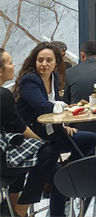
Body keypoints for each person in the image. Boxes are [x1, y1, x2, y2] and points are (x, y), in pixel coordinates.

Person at [0, 48, 66, 217]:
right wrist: (39, 142)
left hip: (8, 146)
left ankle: (12, 207)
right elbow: (19, 127)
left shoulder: (53, 78)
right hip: (4, 157)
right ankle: (21, 210)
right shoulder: (4, 94)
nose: (14, 65)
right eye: (10, 63)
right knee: (49, 150)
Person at [14, 42, 96, 159]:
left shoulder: (54, 77)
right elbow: (44, 107)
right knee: (53, 150)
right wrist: (66, 108)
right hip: (32, 134)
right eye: (40, 60)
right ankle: (64, 169)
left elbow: (55, 105)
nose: (44, 64)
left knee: (91, 138)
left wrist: (62, 127)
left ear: (57, 61)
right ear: (35, 61)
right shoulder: (29, 80)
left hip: (51, 130)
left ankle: (69, 167)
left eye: (49, 60)